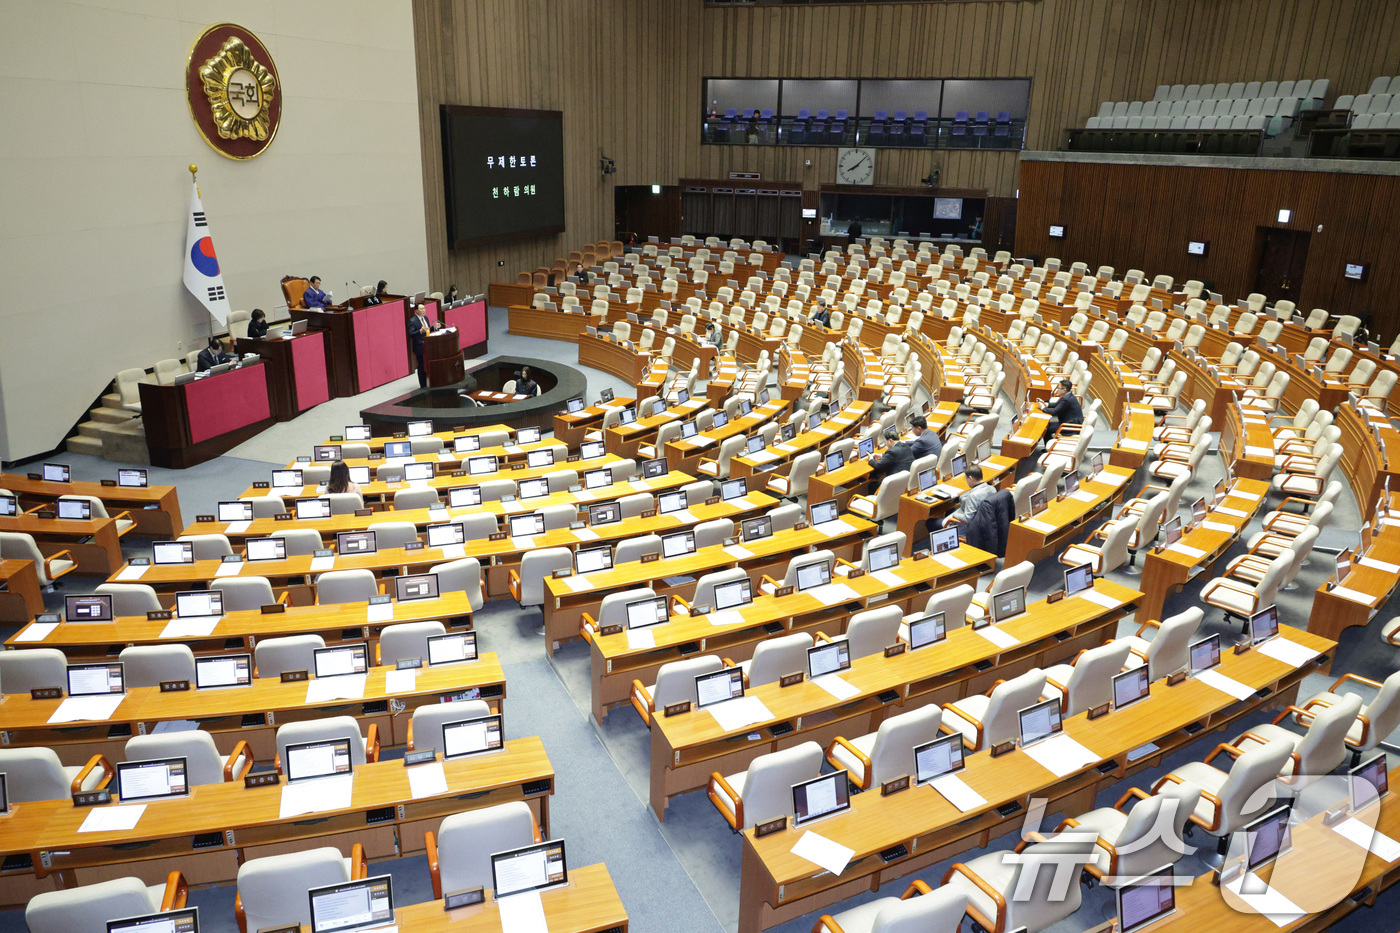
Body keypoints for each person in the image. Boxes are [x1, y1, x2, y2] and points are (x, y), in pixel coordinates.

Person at [943, 464, 994, 530]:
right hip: (984, 522)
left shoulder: (973, 495)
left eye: (966, 478)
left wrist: (954, 515)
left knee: (931, 523)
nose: (966, 481)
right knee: (949, 511)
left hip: (969, 528)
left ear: (971, 478)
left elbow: (967, 519)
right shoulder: (992, 488)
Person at [866, 426, 913, 493]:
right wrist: (881, 456)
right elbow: (896, 456)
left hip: (894, 483)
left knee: (872, 485)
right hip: (905, 482)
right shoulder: (905, 446)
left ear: (890, 440)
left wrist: (871, 459)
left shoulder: (892, 451)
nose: (885, 444)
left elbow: (878, 466)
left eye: (886, 441)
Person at [408, 303, 433, 388]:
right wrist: (419, 331)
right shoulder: (412, 321)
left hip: (428, 345)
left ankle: (429, 381)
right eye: (421, 309)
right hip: (419, 347)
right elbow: (411, 334)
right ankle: (422, 385)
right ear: (416, 311)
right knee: (421, 365)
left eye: (424, 308)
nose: (423, 310)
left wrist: (434, 328)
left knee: (428, 365)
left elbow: (427, 330)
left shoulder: (425, 318)